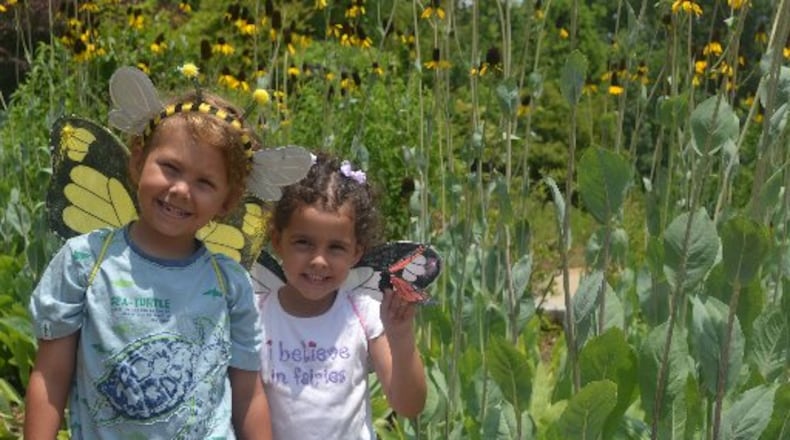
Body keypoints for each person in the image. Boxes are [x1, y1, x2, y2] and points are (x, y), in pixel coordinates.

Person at [24, 87, 271, 439]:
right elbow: (50, 375)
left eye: (205, 182)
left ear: (227, 201)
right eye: (170, 168)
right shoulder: (85, 262)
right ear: (139, 160)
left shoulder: (229, 282)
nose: (182, 190)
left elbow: (248, 393)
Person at [253, 152, 427, 439]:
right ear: (277, 242)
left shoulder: (363, 312)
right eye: (303, 243)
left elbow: (409, 405)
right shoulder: (257, 312)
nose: (319, 260)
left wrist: (402, 337)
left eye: (336, 248)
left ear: (356, 252)